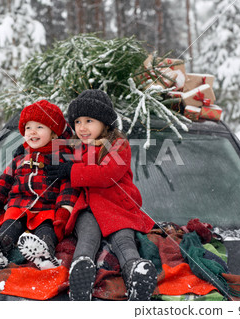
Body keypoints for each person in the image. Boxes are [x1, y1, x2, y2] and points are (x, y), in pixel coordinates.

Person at [45, 89, 157, 301]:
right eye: (77, 122)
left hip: (117, 207)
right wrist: (28, 150)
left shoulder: (119, 145)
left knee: (124, 240)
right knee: (87, 237)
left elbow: (107, 174)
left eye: (89, 120)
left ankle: (136, 272)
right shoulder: (77, 147)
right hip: (88, 208)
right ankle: (81, 271)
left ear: (105, 123)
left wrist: (71, 171)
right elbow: (48, 142)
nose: (82, 127)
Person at [0, 100, 79, 271]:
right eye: (28, 128)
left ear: (53, 134)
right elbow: (3, 183)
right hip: (18, 209)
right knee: (9, 229)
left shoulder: (62, 158)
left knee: (46, 233)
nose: (32, 132)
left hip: (47, 211)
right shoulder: (20, 157)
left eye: (40, 127)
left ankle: (45, 256)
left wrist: (62, 213)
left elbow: (68, 187)